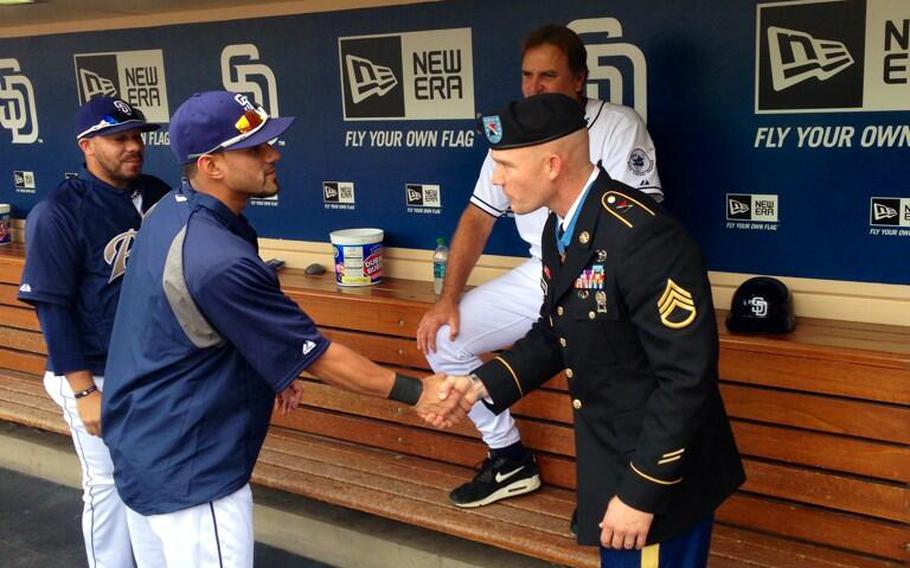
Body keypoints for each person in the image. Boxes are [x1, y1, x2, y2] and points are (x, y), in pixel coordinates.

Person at [100, 91, 471, 568]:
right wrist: (418, 392)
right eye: (254, 148)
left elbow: (203, 322)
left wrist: (268, 367)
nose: (273, 153)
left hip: (143, 445)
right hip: (188, 470)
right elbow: (320, 356)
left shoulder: (173, 212)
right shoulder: (214, 256)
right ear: (211, 165)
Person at [436, 93, 745, 567]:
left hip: (658, 482)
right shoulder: (560, 228)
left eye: (505, 166)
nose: (496, 180)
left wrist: (641, 494)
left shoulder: (642, 236)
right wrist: (480, 385)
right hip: (615, 465)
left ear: (553, 165)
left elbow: (686, 379)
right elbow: (552, 333)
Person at [416, 24, 664, 508]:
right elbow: (477, 216)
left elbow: (643, 216)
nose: (534, 87)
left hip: (606, 275)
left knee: (602, 357)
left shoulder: (617, 125)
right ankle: (508, 457)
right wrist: (448, 298)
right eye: (527, 75)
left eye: (548, 75)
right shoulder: (514, 132)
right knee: (443, 337)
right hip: (544, 271)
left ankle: (611, 492)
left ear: (579, 80)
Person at [17, 96, 170, 567]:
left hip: (148, 368)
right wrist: (83, 391)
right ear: (87, 146)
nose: (133, 146)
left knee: (144, 483)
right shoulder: (59, 212)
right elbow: (52, 307)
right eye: (118, 138)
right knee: (106, 486)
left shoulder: (160, 194)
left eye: (137, 135)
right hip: (93, 373)